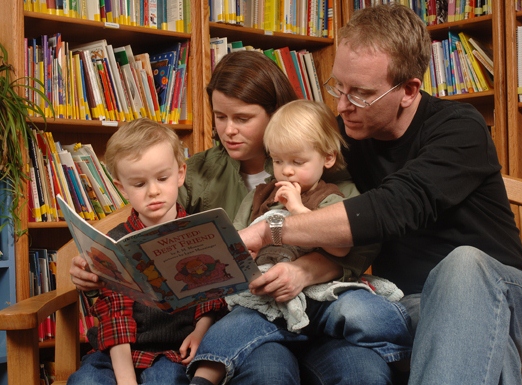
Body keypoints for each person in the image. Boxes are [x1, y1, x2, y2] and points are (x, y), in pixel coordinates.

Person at [239, 3, 522, 385]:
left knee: (462, 265)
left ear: (408, 90)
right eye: (338, 86)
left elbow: (390, 209)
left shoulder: (460, 128)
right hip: (411, 310)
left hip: (509, 303)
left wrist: (270, 230)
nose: (342, 106)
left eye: (361, 94)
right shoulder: (344, 137)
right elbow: (288, 161)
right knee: (446, 346)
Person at [69, 50, 388, 385]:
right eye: (221, 117)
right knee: (268, 370)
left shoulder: (318, 172)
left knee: (364, 371)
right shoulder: (196, 172)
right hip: (241, 316)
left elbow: (361, 247)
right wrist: (96, 262)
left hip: (313, 312)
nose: (229, 130)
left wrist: (303, 270)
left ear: (275, 114)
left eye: (243, 118)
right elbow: (148, 214)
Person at [188, 99, 412, 385]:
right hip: (272, 301)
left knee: (362, 311)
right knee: (233, 326)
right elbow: (237, 242)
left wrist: (296, 210)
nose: (287, 171)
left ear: (327, 158)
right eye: (278, 161)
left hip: (324, 294)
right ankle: (204, 377)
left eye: (297, 162)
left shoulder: (335, 198)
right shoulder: (259, 197)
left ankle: (402, 356)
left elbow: (341, 247)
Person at [67, 118, 227, 385]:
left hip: (175, 351)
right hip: (116, 352)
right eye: (139, 184)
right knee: (85, 382)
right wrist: (127, 380)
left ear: (180, 174)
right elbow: (114, 316)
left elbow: (212, 297)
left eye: (162, 178)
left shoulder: (201, 233)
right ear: (121, 187)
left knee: (166, 381)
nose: (153, 191)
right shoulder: (114, 243)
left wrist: (201, 332)